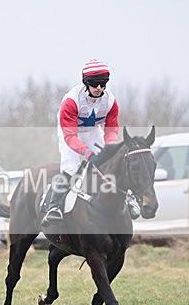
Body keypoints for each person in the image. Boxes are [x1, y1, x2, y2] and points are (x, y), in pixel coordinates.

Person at [41, 59, 138, 226]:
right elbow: (70, 136)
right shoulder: (71, 101)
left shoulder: (110, 101)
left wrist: (110, 148)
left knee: (114, 163)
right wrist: (87, 153)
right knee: (71, 169)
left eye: (103, 83)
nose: (99, 88)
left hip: (93, 131)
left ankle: (130, 199)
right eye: (94, 84)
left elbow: (111, 129)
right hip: (70, 133)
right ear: (86, 83)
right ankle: (53, 207)